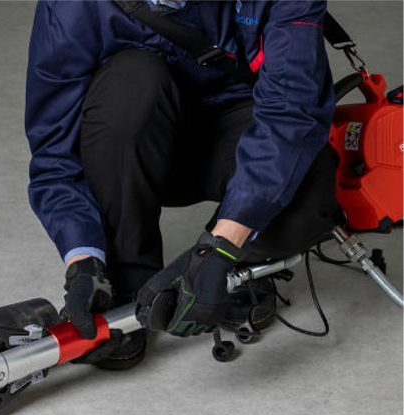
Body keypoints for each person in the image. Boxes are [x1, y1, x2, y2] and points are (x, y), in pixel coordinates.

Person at [25, 0, 338, 369]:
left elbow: (291, 112)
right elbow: (56, 155)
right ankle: (126, 278)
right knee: (130, 81)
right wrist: (84, 263)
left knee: (309, 185)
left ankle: (237, 271)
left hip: (246, 135)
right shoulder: (71, 6)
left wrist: (221, 249)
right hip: (138, 148)